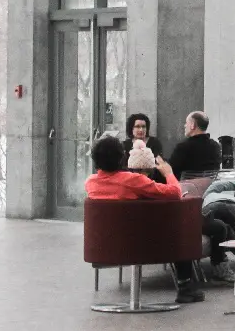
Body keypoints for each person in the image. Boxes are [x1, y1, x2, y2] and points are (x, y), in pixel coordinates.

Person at [83, 136, 204, 304]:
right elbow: (174, 193)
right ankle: (185, 287)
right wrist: (168, 174)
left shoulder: (90, 183)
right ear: (122, 158)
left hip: (104, 246)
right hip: (142, 245)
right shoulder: (133, 181)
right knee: (178, 227)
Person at [166, 111, 221, 180]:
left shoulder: (183, 147)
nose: (184, 125)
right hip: (209, 189)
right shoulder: (216, 146)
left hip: (186, 189)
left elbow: (170, 172)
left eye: (186, 123)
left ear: (192, 125)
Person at [120, 113, 164, 183]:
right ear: (131, 128)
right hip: (130, 181)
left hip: (151, 180)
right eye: (137, 126)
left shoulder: (154, 142)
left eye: (143, 127)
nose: (141, 130)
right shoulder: (125, 145)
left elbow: (158, 162)